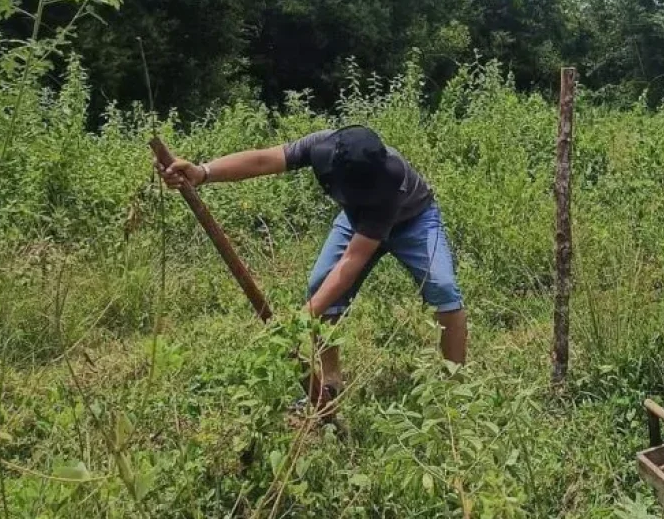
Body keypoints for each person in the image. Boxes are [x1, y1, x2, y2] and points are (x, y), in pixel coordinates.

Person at [157, 125, 467, 405]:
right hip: (356, 221)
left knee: (443, 288)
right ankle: (330, 384)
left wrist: (302, 318)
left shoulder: (390, 178)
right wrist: (203, 172)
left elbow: (351, 261)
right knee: (321, 284)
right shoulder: (323, 147)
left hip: (414, 221)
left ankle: (456, 392)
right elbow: (264, 160)